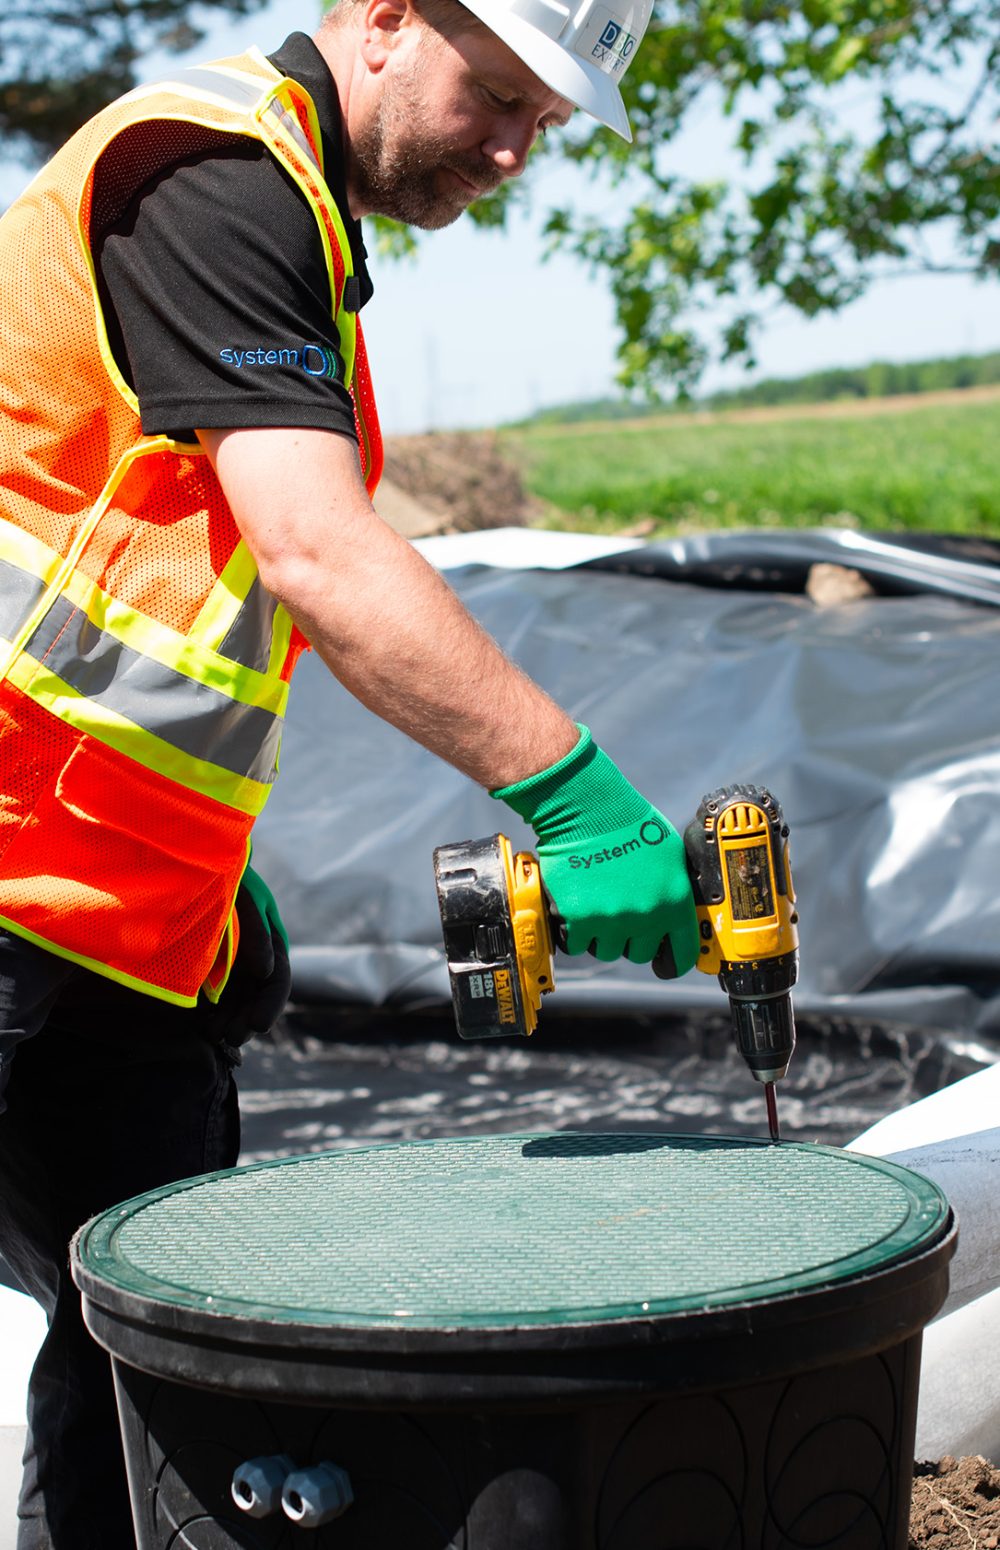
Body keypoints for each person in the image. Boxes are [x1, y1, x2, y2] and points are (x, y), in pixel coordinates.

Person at [0, 0, 698, 1542]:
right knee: (161, 1350)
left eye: (548, 121)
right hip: (22, 905)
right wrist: (575, 797)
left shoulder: (294, 217)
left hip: (109, 923)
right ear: (384, 19)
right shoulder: (217, 178)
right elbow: (317, 553)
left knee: (156, 1364)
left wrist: (192, 880)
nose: (516, 148)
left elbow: (133, 583)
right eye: (499, 92)